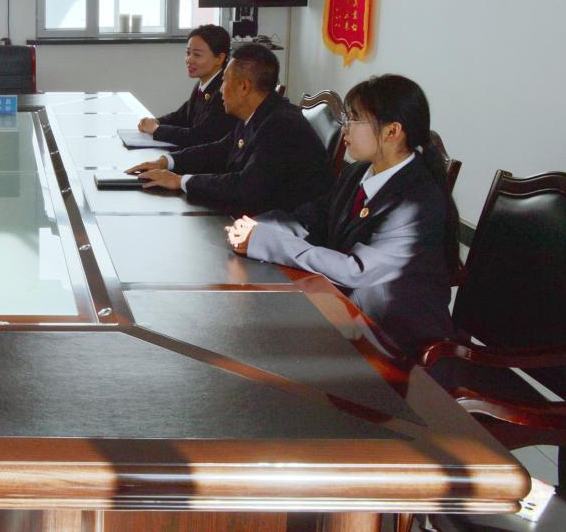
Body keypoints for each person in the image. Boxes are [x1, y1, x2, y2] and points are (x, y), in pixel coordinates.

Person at [225, 75, 458, 359]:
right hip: (350, 311)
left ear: (392, 131)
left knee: (264, 342)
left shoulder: (417, 201)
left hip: (397, 338)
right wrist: (255, 225)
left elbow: (356, 270)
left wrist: (266, 241)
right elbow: (311, 219)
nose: (345, 127)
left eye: (355, 118)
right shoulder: (358, 172)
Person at [128, 44, 329, 215]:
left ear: (244, 87)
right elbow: (219, 150)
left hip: (286, 224)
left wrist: (181, 181)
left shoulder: (281, 125)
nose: (221, 89)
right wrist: (167, 161)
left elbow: (246, 187)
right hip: (257, 212)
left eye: (224, 80)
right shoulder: (259, 112)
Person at [137, 24, 237, 148]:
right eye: (188, 52)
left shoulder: (224, 92)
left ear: (219, 58)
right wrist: (157, 121)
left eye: (197, 55)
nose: (189, 59)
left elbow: (199, 137)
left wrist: (157, 129)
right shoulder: (204, 83)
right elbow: (182, 116)